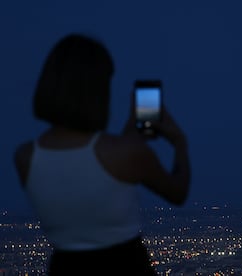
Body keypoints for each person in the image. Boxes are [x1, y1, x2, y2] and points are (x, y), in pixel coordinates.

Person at [13, 33, 191, 275]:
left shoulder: (25, 158)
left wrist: (130, 129)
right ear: (97, 91)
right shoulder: (126, 154)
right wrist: (180, 142)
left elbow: (92, 165)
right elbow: (177, 192)